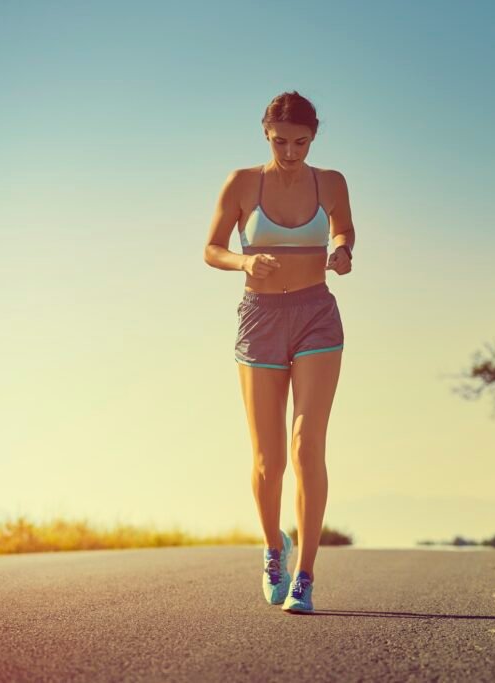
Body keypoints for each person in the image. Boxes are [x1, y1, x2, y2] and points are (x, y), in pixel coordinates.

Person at [203, 91, 355, 614]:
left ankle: (306, 576)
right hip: (261, 320)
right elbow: (212, 248)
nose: (290, 152)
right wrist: (244, 263)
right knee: (269, 460)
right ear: (266, 135)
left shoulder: (331, 182)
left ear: (314, 138)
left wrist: (342, 251)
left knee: (307, 445)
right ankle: (274, 548)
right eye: (280, 142)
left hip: (317, 317)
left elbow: (343, 229)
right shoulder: (242, 183)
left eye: (301, 143)